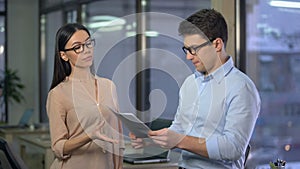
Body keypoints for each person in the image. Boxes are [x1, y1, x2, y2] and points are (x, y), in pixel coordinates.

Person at [130, 9, 261, 169]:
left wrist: (180, 140)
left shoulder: (241, 87)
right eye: (186, 49)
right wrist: (150, 140)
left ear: (217, 44)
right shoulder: (190, 83)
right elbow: (179, 128)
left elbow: (233, 148)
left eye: (194, 49)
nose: (188, 56)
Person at [46, 23, 124, 169]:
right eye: (77, 47)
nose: (86, 50)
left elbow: (117, 137)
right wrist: (89, 136)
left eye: (88, 43)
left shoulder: (109, 86)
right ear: (63, 55)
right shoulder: (58, 94)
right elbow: (58, 147)